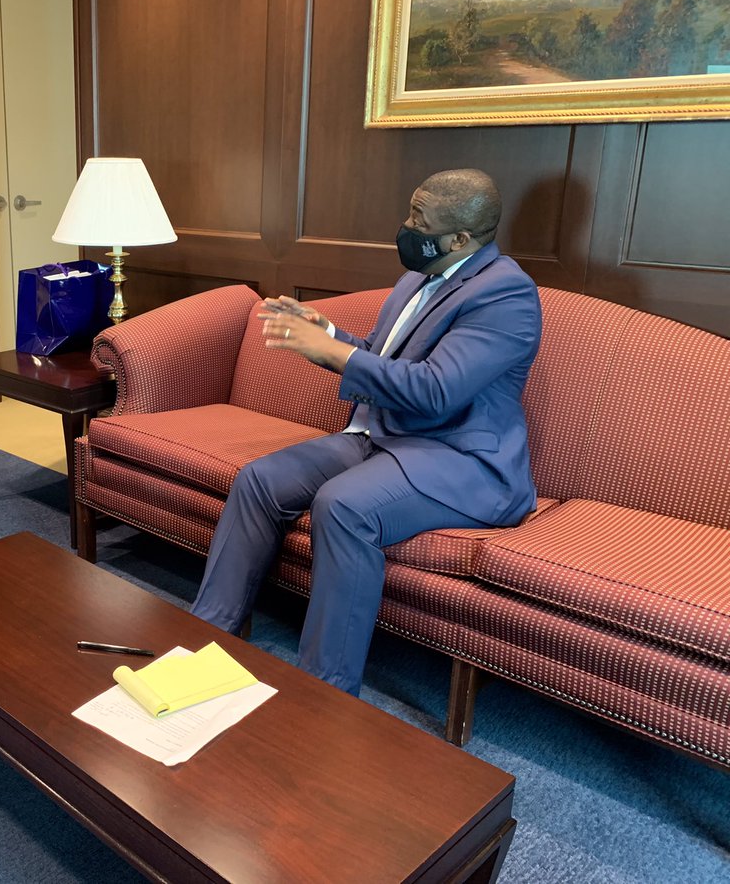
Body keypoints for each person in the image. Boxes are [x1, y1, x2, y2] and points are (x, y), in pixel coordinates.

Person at [190, 168, 542, 696]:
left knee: (344, 505)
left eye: (418, 218)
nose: (406, 226)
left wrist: (330, 351)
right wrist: (325, 329)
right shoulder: (418, 279)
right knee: (261, 479)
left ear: (460, 239)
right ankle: (206, 638)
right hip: (388, 438)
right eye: (410, 210)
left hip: (463, 460)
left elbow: (436, 390)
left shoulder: (506, 294)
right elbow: (384, 357)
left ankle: (324, 692)